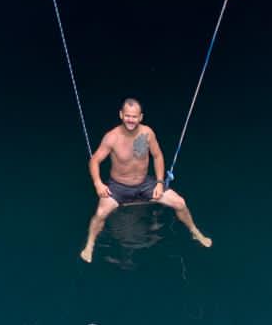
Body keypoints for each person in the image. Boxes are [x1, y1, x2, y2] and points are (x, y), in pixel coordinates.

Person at [80, 97, 212, 263]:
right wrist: (98, 183)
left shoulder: (147, 133)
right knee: (100, 214)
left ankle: (194, 231)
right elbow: (94, 160)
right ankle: (90, 244)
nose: (130, 120)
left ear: (140, 117)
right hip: (118, 187)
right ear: (121, 115)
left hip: (145, 184)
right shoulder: (112, 137)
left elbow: (157, 156)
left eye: (134, 116)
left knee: (180, 202)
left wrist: (158, 182)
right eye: (127, 115)